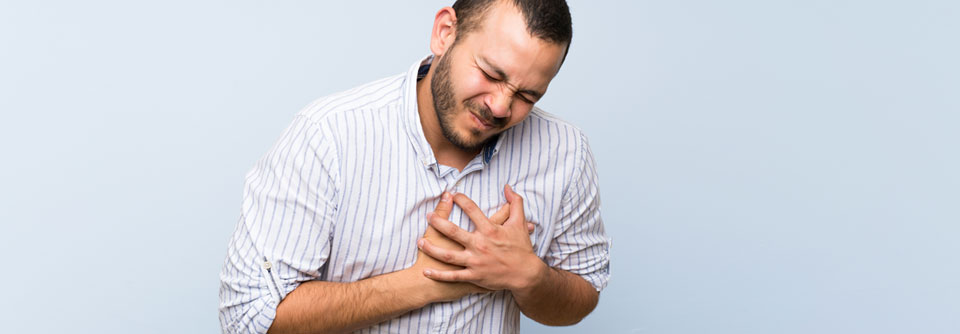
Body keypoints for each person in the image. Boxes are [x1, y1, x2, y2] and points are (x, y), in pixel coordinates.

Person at [218, 0, 610, 333]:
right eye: (491, 74)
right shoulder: (329, 136)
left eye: (526, 94)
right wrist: (419, 283)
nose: (501, 107)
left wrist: (531, 278)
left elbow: (584, 290)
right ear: (444, 32)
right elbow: (248, 315)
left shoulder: (565, 152)